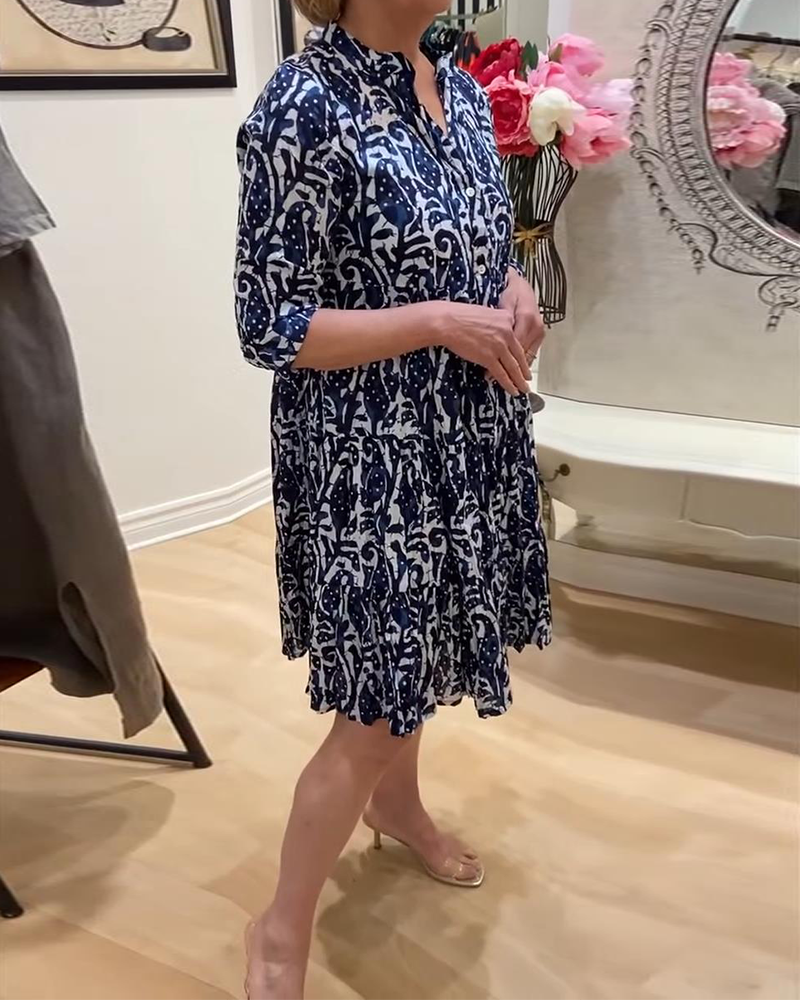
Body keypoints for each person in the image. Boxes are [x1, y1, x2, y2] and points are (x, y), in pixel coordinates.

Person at [234, 0, 552, 996]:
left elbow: (477, 249)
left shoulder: (458, 88)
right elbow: (267, 323)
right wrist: (436, 322)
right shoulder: (302, 103)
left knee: (421, 654)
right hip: (367, 450)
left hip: (464, 429)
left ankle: (398, 807)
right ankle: (278, 929)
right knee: (375, 698)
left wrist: (513, 289)